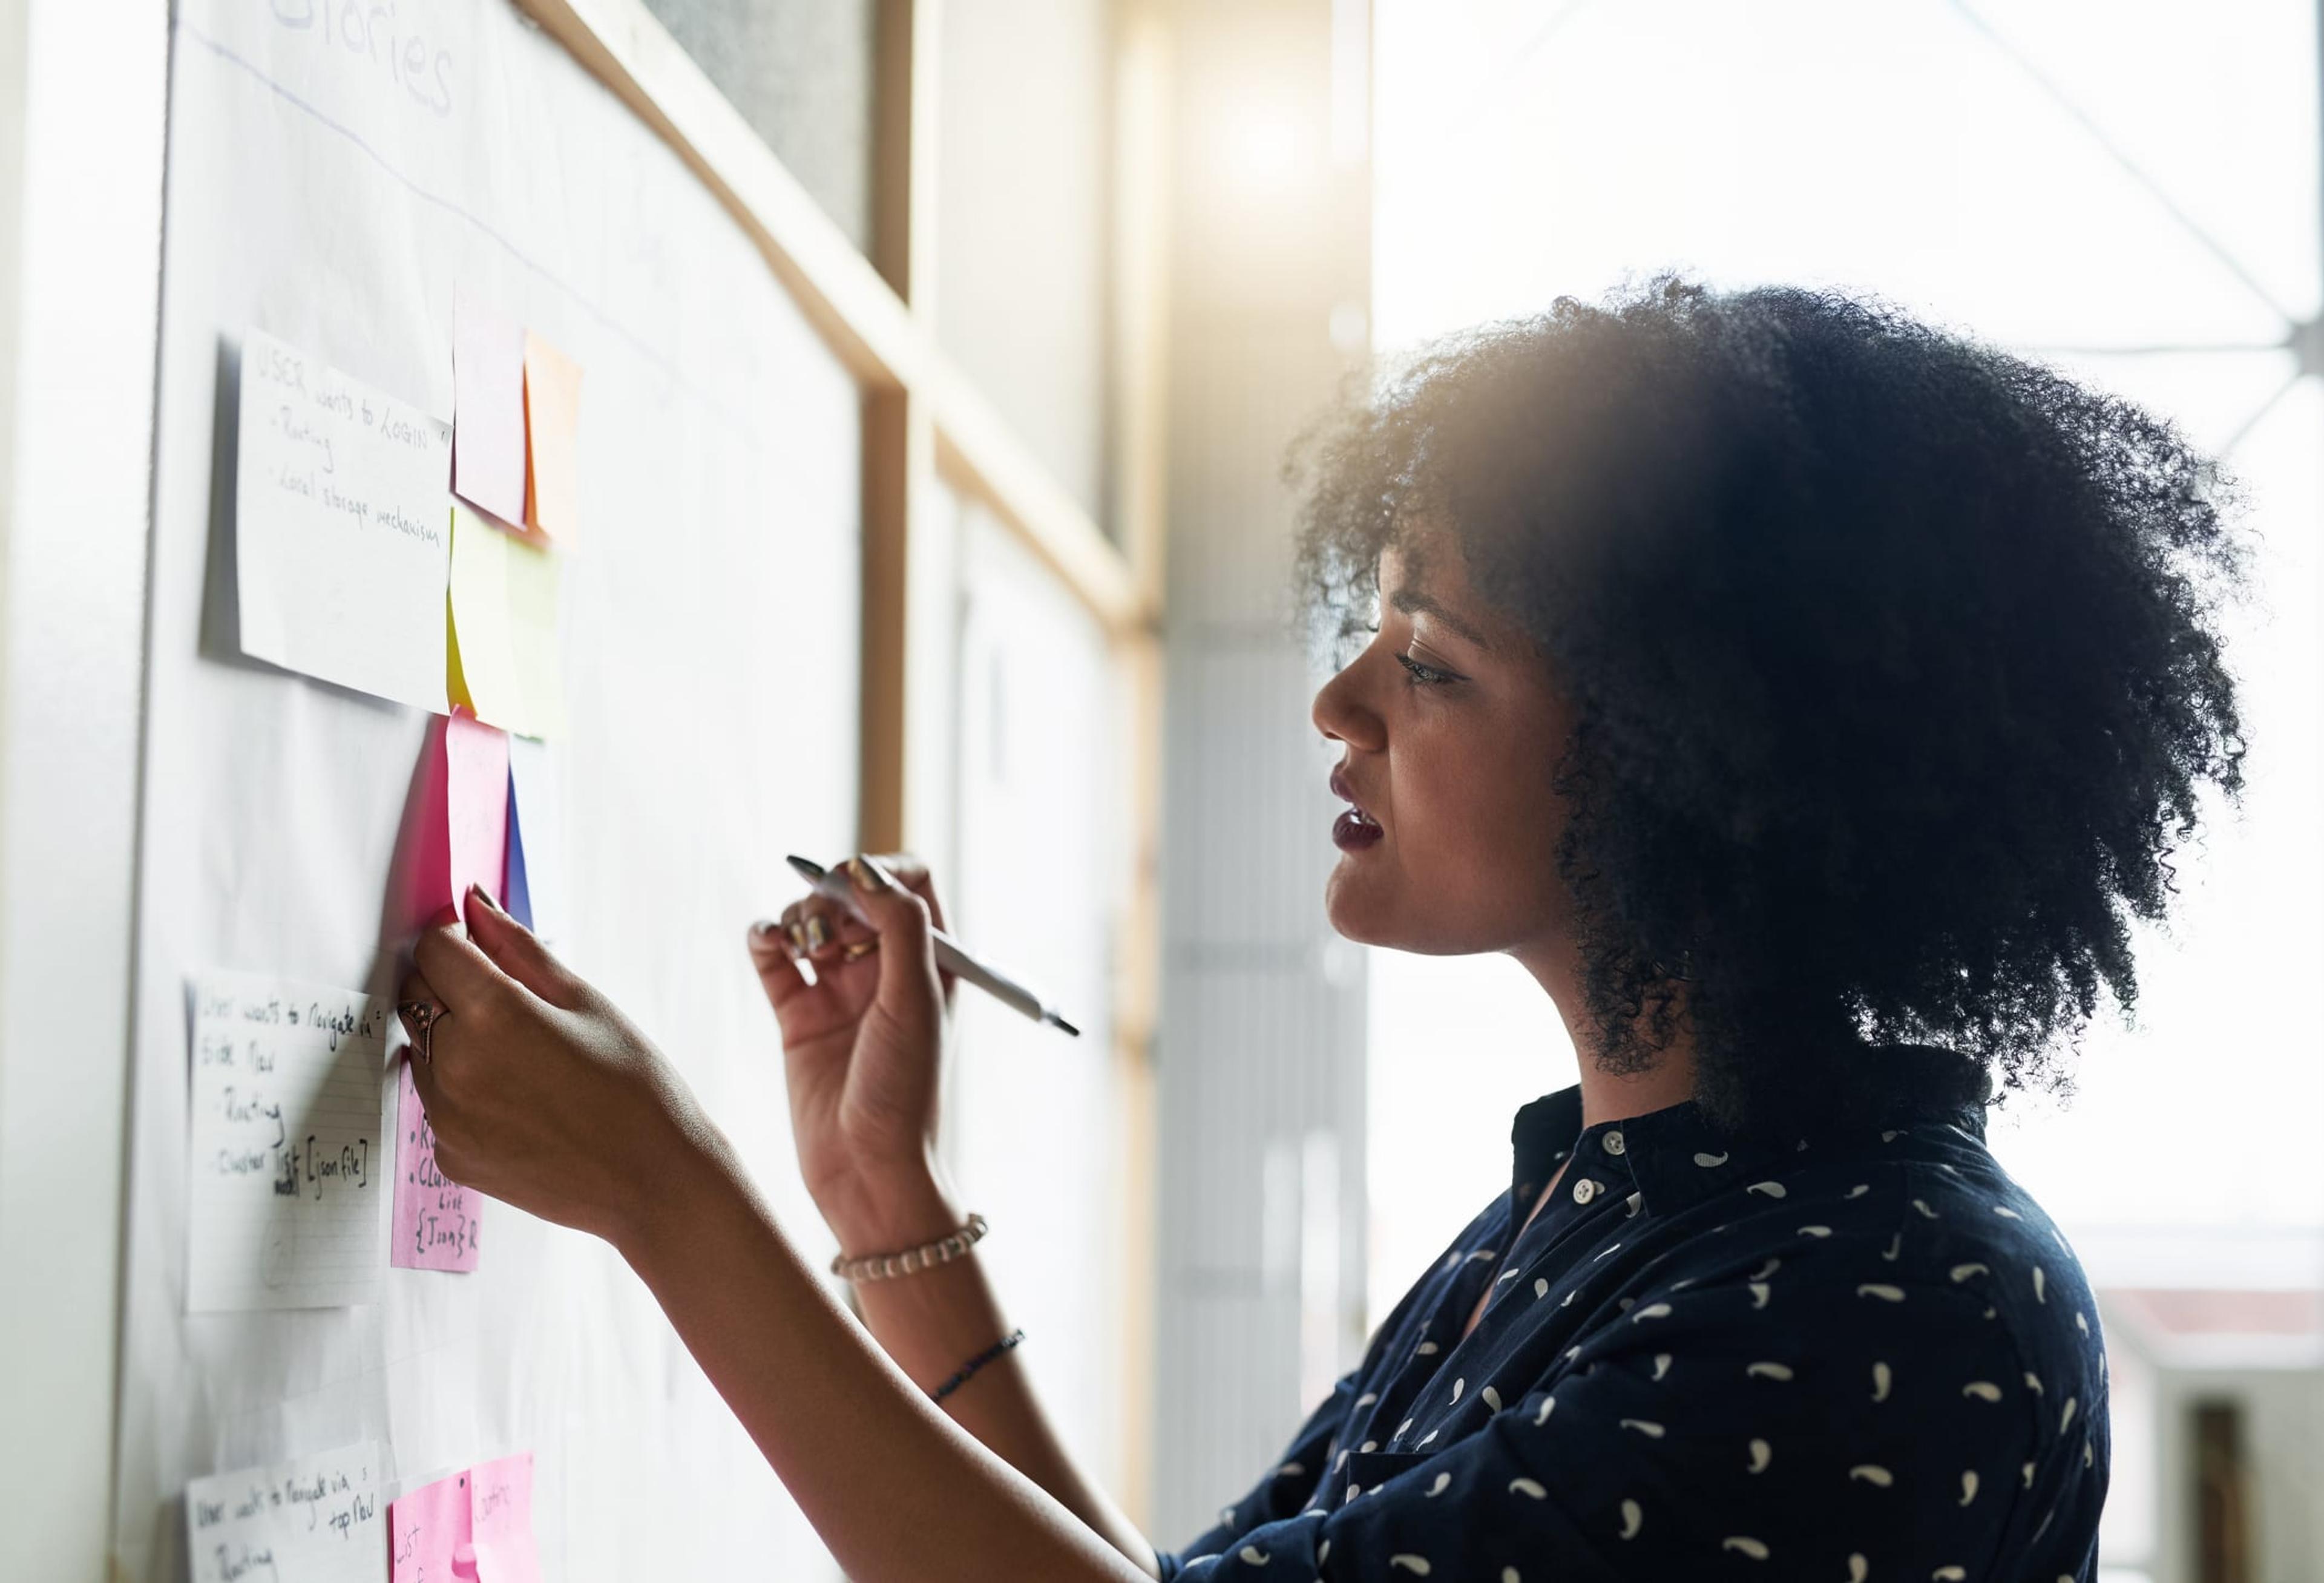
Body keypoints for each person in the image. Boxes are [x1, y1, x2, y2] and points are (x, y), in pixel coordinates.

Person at [396, 275, 2247, 1580]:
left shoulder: (1893, 1311)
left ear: (1698, 759)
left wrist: (669, 1196)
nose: (1339, 702)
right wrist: (887, 1208)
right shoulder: (1621, 1203)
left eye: (1430, 661)